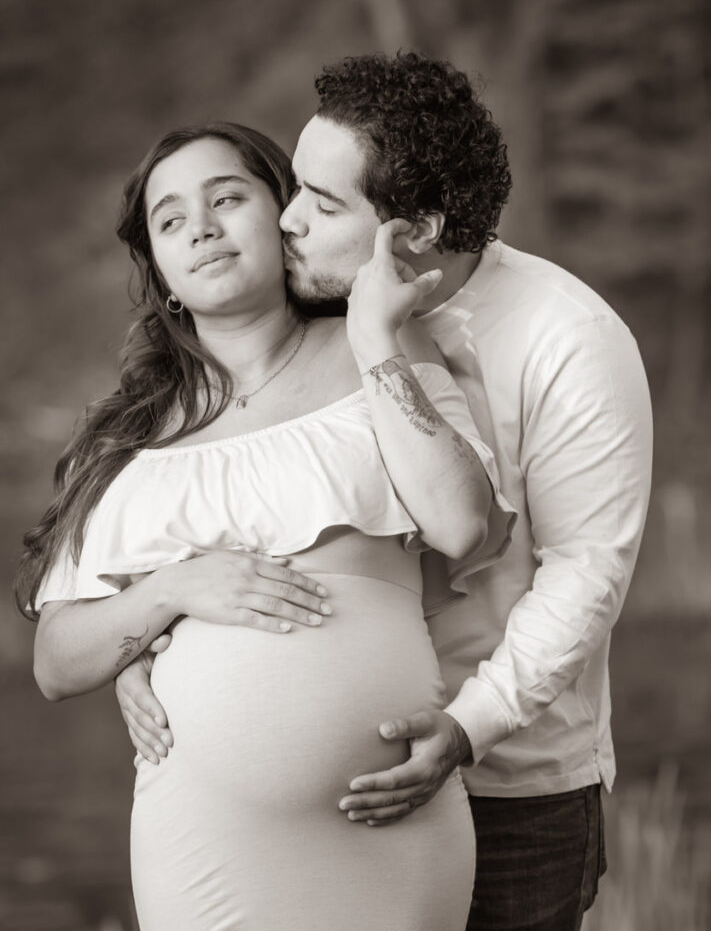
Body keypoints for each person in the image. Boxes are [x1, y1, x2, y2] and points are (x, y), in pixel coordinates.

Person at [117, 52, 653, 931]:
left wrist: (468, 725)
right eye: (295, 187)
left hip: (508, 786)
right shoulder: (305, 317)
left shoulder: (570, 340)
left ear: (414, 229)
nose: (285, 220)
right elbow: (244, 506)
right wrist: (146, 644)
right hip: (328, 810)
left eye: (323, 206)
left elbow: (586, 574)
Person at [18, 121, 516, 930]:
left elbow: (463, 524)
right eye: (171, 220)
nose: (202, 228)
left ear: (283, 216)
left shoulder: (378, 346)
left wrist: (373, 336)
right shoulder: (128, 438)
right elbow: (55, 662)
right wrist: (168, 594)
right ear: (163, 269)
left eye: (227, 199)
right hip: (206, 844)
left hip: (388, 825)